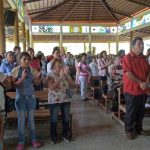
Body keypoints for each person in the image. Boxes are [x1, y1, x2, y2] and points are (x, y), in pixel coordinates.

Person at [11, 52, 42, 150]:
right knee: (21, 121)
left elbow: (37, 83)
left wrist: (37, 79)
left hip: (31, 97)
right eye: (24, 59)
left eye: (28, 59)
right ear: (20, 60)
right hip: (20, 98)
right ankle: (21, 141)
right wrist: (23, 78)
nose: (27, 61)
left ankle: (33, 139)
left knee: (31, 120)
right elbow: (14, 85)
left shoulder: (32, 70)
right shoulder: (15, 70)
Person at [122, 37, 150, 139]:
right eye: (139, 44)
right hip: (131, 90)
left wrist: (146, 82)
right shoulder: (127, 57)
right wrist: (140, 82)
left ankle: (139, 128)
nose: (142, 46)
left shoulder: (144, 58)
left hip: (143, 89)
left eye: (142, 44)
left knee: (141, 111)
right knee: (131, 111)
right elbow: (128, 73)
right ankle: (129, 130)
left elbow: (148, 71)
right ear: (133, 46)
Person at [47, 58, 75, 144]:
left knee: (66, 117)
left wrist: (66, 76)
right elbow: (51, 87)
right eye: (58, 65)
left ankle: (65, 134)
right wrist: (60, 78)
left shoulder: (66, 74)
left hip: (65, 99)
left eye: (61, 64)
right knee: (54, 118)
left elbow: (72, 85)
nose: (60, 66)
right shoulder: (50, 75)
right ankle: (53, 136)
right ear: (53, 67)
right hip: (54, 100)